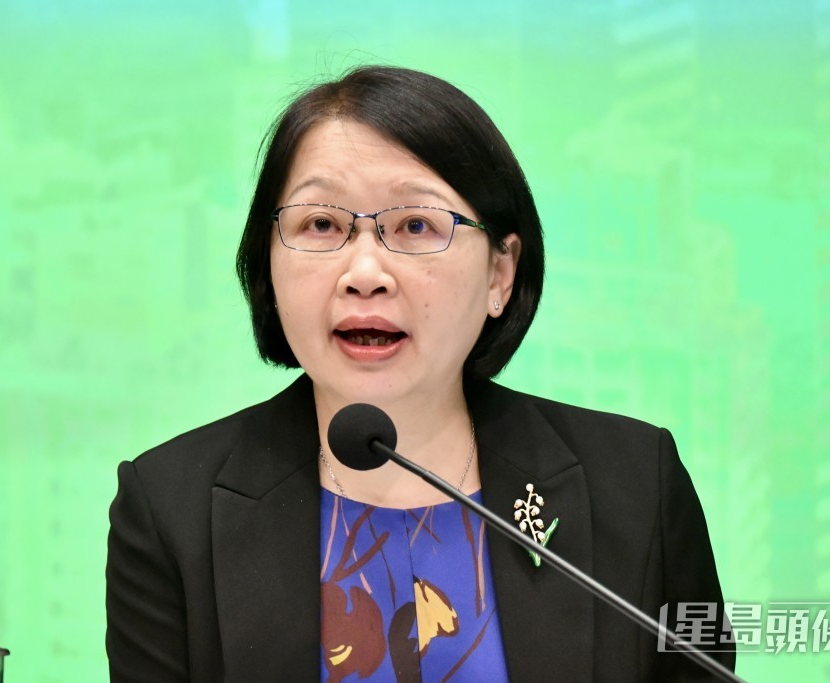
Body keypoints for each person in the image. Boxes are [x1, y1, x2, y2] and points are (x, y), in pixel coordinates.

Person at [105, 66, 735, 682]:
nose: (365, 273)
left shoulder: (635, 486)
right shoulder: (170, 511)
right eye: (321, 224)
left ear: (499, 273)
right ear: (267, 261)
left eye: (415, 225)